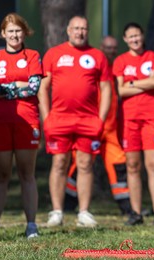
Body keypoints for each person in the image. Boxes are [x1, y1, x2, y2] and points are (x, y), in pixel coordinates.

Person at [39, 15, 112, 228]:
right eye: (76, 28)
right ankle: (57, 212)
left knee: (85, 164)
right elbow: (43, 87)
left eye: (84, 29)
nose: (80, 32)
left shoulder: (97, 56)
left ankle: (83, 212)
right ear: (68, 30)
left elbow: (106, 88)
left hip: (88, 120)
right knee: (59, 163)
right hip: (59, 119)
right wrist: (47, 117)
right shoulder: (54, 54)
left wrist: (101, 118)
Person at [65, 34, 134, 222]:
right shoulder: (93, 68)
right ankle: (68, 205)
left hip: (110, 130)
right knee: (79, 166)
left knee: (119, 167)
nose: (110, 52)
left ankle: (127, 208)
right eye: (107, 48)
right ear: (101, 49)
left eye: (114, 48)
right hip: (91, 127)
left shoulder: (117, 70)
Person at [0, 13, 43, 239]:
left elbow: (34, 87)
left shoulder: (33, 55)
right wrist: (17, 85)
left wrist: (5, 88)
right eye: (10, 31)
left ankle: (31, 225)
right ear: (3, 34)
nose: (14, 35)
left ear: (24, 32)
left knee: (26, 173)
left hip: (27, 119)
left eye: (18, 30)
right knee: (1, 175)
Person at [113, 23, 154, 225]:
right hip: (129, 119)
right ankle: (136, 213)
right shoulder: (121, 61)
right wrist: (145, 82)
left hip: (152, 117)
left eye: (137, 35)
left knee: (153, 165)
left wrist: (133, 83)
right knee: (132, 166)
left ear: (142, 36)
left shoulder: (153, 57)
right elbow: (121, 91)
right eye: (130, 36)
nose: (135, 39)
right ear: (125, 39)